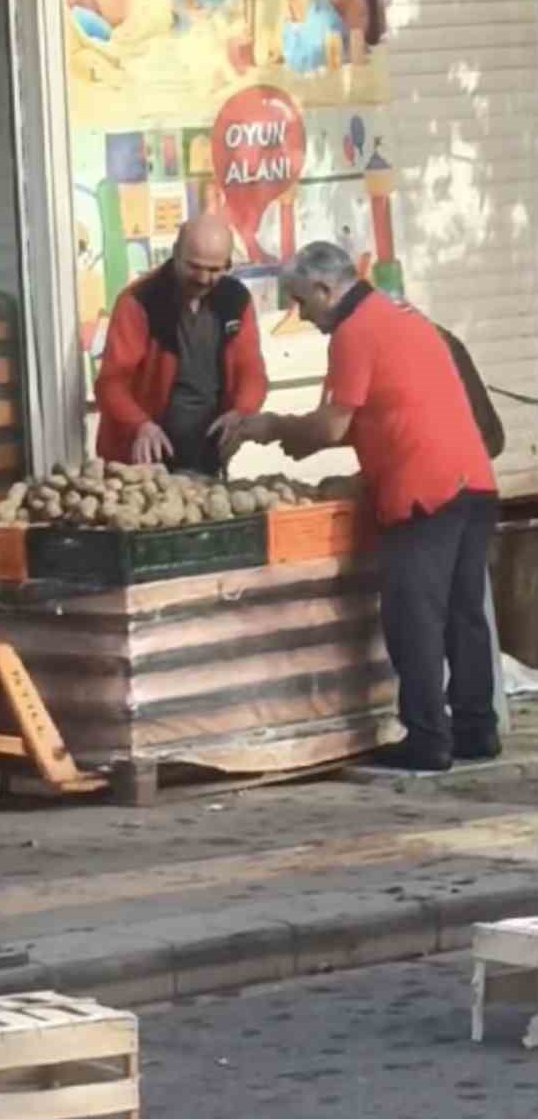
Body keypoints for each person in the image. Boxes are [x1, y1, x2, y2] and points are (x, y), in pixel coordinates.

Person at [214, 241, 499, 772]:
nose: (300, 315)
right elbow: (387, 410)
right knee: (465, 614)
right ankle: (476, 730)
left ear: (326, 289)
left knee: (413, 616)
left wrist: (273, 427)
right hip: (474, 480)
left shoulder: (353, 332)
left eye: (301, 301)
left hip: (422, 489)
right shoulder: (401, 316)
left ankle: (427, 739)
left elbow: (330, 426)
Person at [95, 215, 268, 472]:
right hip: (140, 454)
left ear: (228, 264)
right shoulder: (139, 301)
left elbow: (251, 370)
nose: (203, 278)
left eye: (214, 270)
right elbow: (111, 382)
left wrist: (241, 412)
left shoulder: (236, 300)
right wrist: (139, 424)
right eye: (194, 266)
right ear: (175, 253)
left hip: (206, 448)